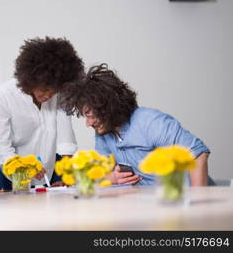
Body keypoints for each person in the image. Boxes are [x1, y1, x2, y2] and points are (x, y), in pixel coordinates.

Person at [59, 63, 212, 186]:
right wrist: (111, 178)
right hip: (150, 206)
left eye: (91, 116)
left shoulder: (150, 122)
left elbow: (198, 153)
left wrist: (198, 200)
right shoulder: (104, 134)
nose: (88, 123)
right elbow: (102, 172)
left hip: (182, 200)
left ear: (108, 108)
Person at [0, 37, 84, 187]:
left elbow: (67, 141)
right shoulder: (3, 96)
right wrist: (23, 169)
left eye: (53, 91)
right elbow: (1, 147)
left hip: (50, 175)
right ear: (30, 79)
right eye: (44, 89)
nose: (48, 96)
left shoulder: (59, 95)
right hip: (15, 178)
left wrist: (66, 179)